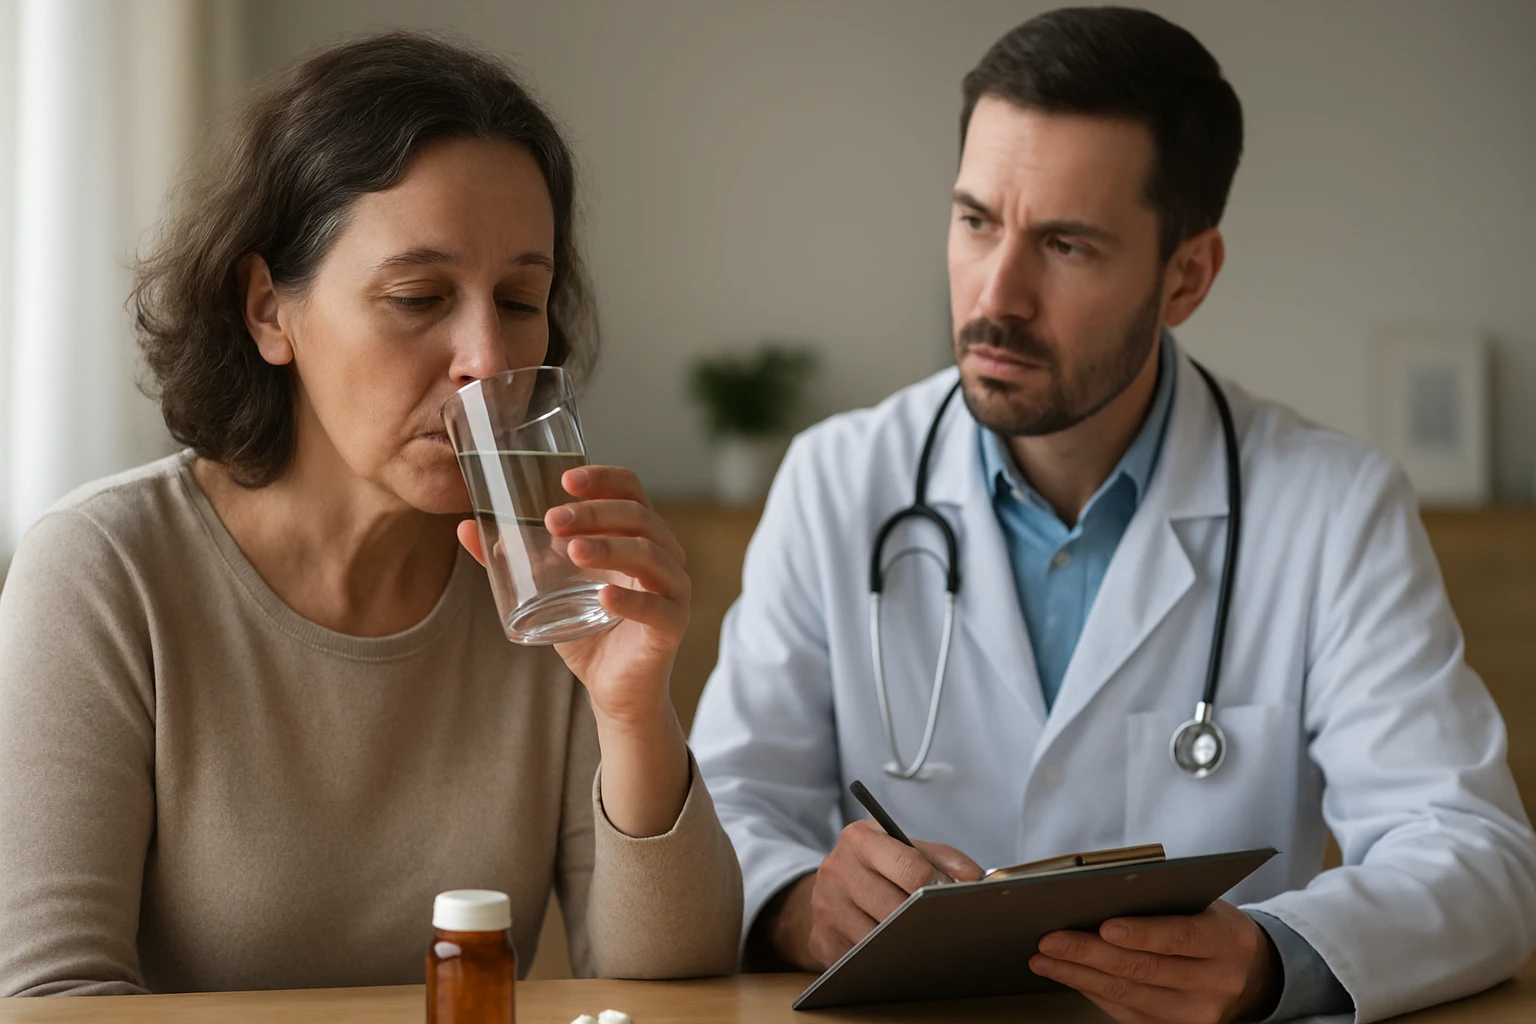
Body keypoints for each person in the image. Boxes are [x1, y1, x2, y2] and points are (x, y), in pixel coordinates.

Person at [690, 7, 1536, 1023]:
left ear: (1187, 275)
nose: (995, 294)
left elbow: (1475, 855)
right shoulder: (837, 479)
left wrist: (1271, 957)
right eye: (975, 221)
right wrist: (798, 904)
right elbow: (726, 814)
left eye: (1066, 244)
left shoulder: (1332, 508)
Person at [0, 32, 740, 996]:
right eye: (417, 296)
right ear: (270, 311)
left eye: (521, 298)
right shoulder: (105, 572)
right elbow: (51, 1002)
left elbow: (668, 989)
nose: (484, 357)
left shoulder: (543, 578)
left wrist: (634, 711)